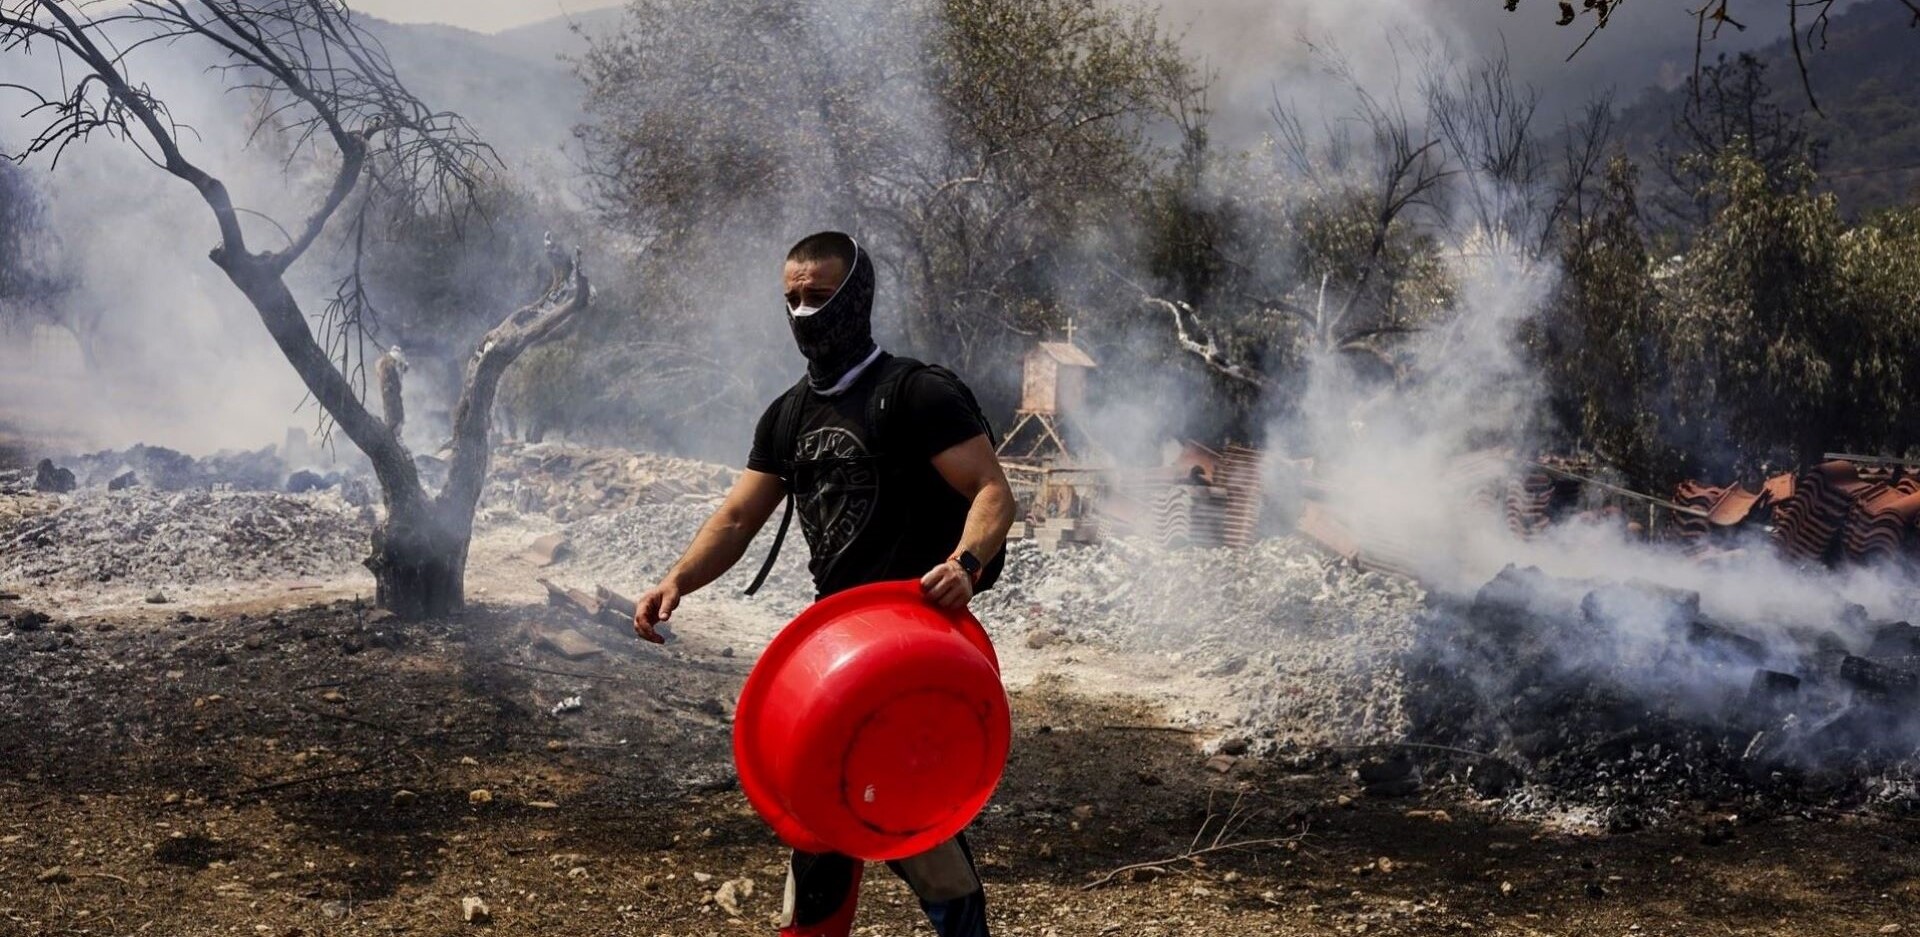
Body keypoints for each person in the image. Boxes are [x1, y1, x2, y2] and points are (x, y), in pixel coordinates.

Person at [632, 231, 1017, 937]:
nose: (806, 313)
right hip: (836, 659)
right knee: (821, 820)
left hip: (914, 652)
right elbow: (740, 514)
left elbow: (992, 491)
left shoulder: (916, 394)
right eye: (794, 300)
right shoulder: (788, 414)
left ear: (856, 297)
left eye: (820, 296)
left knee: (912, 815)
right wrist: (676, 580)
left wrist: (965, 564)